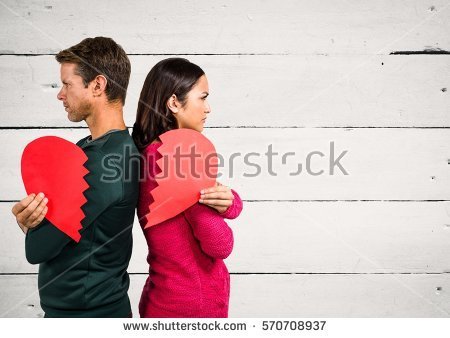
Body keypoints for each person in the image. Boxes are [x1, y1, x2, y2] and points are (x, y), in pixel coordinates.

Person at [11, 37, 139, 317]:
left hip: (89, 318)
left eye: (67, 84)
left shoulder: (103, 161)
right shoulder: (95, 149)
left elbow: (37, 249)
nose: (60, 94)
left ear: (97, 85)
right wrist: (34, 222)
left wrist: (30, 224)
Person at [132, 58, 243, 318]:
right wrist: (228, 206)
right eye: (202, 98)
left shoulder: (151, 153)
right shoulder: (179, 157)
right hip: (191, 307)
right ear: (173, 103)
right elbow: (220, 245)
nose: (208, 108)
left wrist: (231, 203)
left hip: (162, 297)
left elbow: (221, 200)